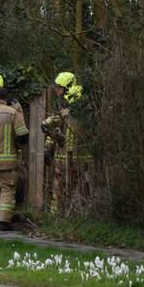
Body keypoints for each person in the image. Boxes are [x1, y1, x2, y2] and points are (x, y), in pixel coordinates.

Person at [0, 84, 29, 231]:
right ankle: (4, 222)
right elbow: (22, 136)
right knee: (7, 189)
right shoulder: (13, 113)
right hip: (7, 161)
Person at [42, 72, 88, 214]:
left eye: (59, 87)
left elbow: (77, 127)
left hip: (78, 154)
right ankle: (57, 214)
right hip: (63, 153)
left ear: (68, 88)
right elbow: (57, 128)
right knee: (59, 183)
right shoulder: (63, 104)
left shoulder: (80, 105)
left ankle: (76, 214)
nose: (57, 90)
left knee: (80, 186)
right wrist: (48, 146)